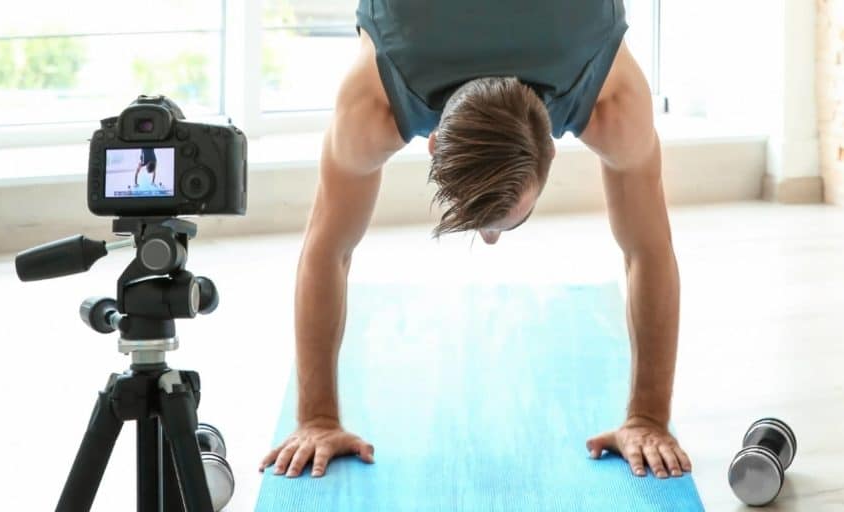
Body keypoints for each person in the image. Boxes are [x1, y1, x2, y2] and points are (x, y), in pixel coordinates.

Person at [261, 0, 692, 481]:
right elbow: (645, 249)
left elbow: (329, 248)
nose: (490, 241)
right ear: (434, 144)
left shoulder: (378, 103)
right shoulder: (373, 104)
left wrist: (649, 417)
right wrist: (316, 419)